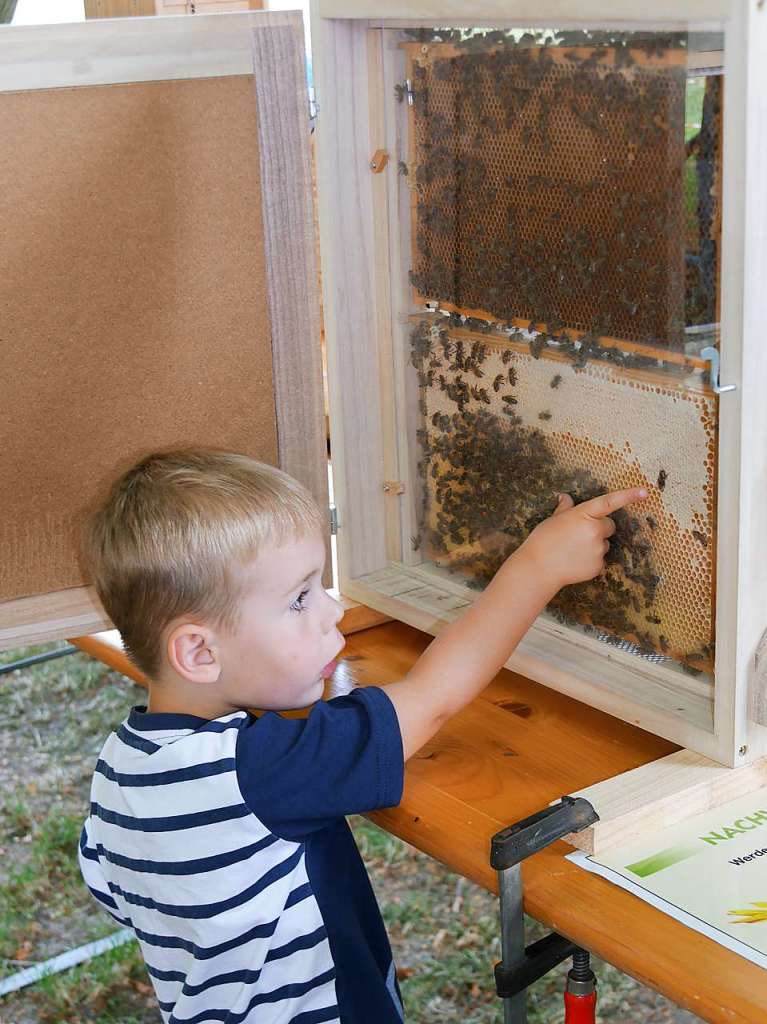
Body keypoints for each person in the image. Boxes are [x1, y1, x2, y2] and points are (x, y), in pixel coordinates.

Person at [78, 448, 646, 1024]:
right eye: (299, 599)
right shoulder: (261, 774)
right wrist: (539, 567)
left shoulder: (119, 771)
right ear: (200, 652)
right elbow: (432, 700)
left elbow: (116, 890)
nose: (331, 611)